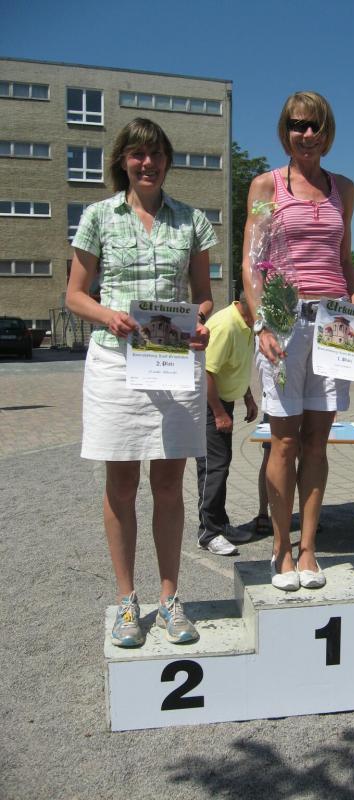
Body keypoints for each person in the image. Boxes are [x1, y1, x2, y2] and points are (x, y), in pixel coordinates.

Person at [66, 118, 216, 647]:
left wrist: (199, 321)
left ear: (167, 160)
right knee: (122, 486)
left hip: (172, 362)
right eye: (137, 154)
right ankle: (127, 600)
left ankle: (170, 598)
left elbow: (203, 295)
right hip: (115, 362)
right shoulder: (97, 217)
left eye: (155, 154)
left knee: (170, 487)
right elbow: (74, 295)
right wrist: (107, 315)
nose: (147, 163)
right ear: (123, 161)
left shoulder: (192, 220)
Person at [242, 91, 354, 591]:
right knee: (283, 440)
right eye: (297, 125)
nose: (306, 134)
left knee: (318, 442)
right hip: (284, 320)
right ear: (285, 131)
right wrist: (261, 323)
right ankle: (280, 548)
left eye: (315, 126)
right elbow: (252, 262)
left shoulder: (345, 188)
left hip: (335, 324)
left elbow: (345, 261)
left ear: (327, 132)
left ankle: (308, 549)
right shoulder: (267, 184)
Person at [196, 293, 258, 555]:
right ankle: (208, 533)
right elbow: (206, 371)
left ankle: (220, 524)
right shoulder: (225, 325)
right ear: (248, 303)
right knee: (213, 466)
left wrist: (247, 396)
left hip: (224, 403)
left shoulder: (247, 323)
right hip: (210, 404)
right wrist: (219, 412)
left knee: (221, 464)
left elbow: (236, 365)